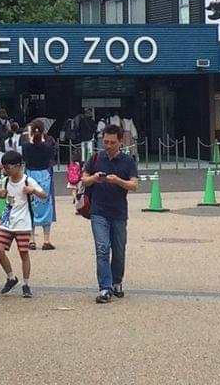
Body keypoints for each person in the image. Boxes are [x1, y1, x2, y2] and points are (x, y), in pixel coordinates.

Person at [81, 124, 138, 304]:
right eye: (105, 141)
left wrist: (118, 181)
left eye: (112, 142)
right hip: (98, 210)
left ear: (120, 142)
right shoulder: (96, 158)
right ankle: (104, 287)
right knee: (102, 248)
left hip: (119, 212)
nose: (108, 145)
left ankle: (116, 282)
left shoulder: (128, 161)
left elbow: (134, 185)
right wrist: (94, 178)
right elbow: (83, 179)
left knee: (119, 250)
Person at [0, 150, 48, 299]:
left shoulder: (27, 181)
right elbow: (7, 195)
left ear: (18, 166)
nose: (6, 170)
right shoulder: (6, 180)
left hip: (23, 222)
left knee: (23, 253)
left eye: (8, 167)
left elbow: (44, 195)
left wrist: (33, 191)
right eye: (4, 167)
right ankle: (11, 277)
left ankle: (26, 284)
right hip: (8, 221)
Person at [23, 121, 57, 250]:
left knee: (30, 205)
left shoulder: (26, 146)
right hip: (45, 175)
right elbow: (52, 157)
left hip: (31, 174)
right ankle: (46, 240)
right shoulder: (48, 146)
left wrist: (31, 140)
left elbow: (24, 159)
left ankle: (31, 240)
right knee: (46, 204)